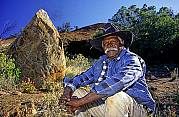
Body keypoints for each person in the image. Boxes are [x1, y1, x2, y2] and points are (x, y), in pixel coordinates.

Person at [60, 23, 156, 117]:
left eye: (112, 41)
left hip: (139, 109)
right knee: (76, 92)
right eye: (105, 43)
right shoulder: (100, 63)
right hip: (107, 106)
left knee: (116, 97)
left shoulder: (131, 58)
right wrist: (67, 92)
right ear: (103, 47)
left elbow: (119, 82)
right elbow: (80, 79)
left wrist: (81, 102)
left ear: (121, 43)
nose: (109, 44)